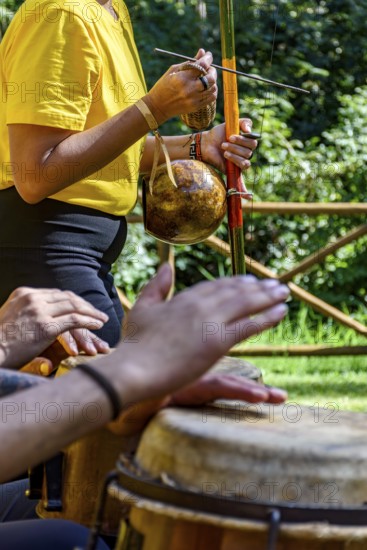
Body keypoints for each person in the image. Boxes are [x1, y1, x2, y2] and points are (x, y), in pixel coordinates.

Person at [0, 0, 258, 347]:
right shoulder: (60, 14)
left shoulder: (113, 11)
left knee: (122, 388)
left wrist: (198, 145)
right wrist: (156, 107)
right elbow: (35, 175)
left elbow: (101, 155)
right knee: (112, 394)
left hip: (84, 255)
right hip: (45, 248)